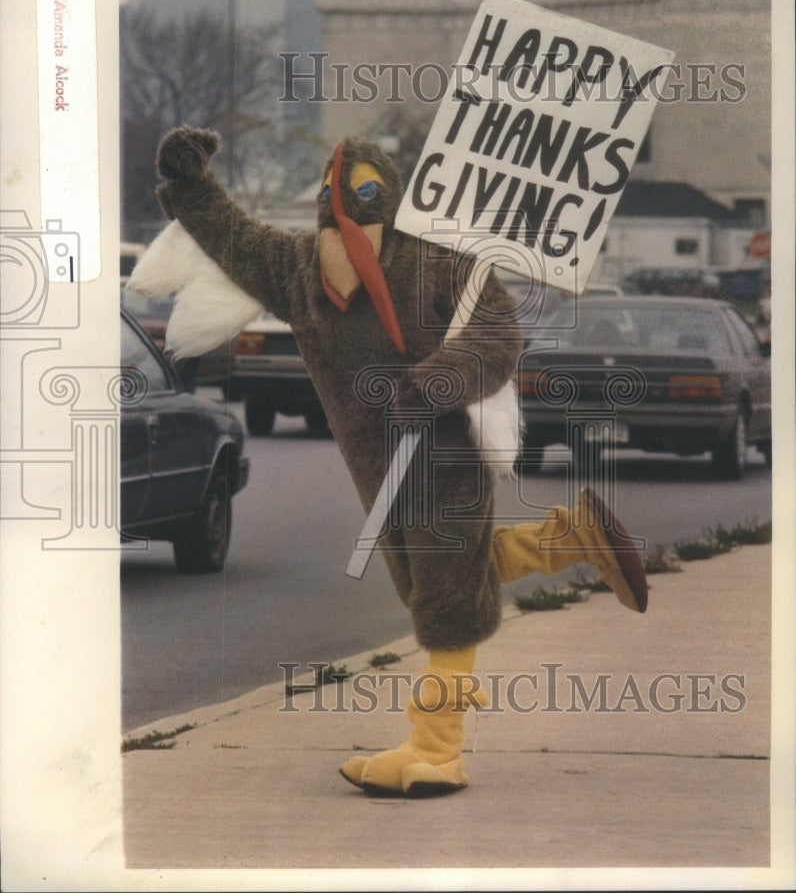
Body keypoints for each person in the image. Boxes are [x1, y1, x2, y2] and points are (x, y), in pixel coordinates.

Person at [141, 126, 647, 798]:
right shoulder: (298, 270)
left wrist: (435, 383)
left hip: (444, 451)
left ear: (391, 199)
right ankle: (574, 538)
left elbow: (498, 334)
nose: (344, 208)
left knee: (442, 599)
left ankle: (438, 750)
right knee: (434, 579)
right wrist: (189, 182)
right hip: (377, 465)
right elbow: (232, 237)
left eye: (362, 194)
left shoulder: (439, 261)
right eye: (333, 194)